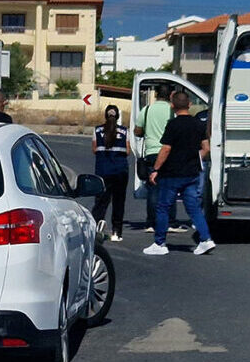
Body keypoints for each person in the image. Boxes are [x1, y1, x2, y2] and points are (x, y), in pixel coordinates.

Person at [142, 91, 214, 256]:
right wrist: (193, 157)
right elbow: (206, 148)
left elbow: (166, 149)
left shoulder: (172, 125)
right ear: (189, 105)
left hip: (172, 173)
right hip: (192, 173)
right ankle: (205, 239)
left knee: (163, 207)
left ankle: (159, 243)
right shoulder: (198, 124)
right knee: (193, 207)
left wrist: (156, 169)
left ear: (172, 106)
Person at [91, 104, 132, 240]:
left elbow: (94, 149)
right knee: (118, 202)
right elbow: (128, 151)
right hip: (120, 171)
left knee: (101, 202)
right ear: (118, 116)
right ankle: (116, 232)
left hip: (103, 171)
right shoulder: (124, 131)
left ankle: (95, 230)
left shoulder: (97, 130)